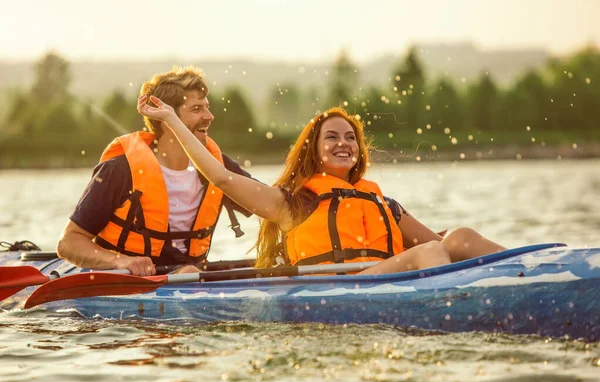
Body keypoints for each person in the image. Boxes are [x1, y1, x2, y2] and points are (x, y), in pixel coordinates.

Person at [137, 95, 505, 274]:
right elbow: (220, 176)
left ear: (360, 151)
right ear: (313, 151)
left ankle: (538, 270)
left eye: (350, 138)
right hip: (349, 289)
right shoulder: (291, 204)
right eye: (331, 137)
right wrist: (170, 119)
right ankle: (458, 313)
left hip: (389, 279)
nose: (343, 143)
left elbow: (445, 247)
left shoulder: (384, 205)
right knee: (429, 254)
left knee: (461, 237)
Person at [57, 66, 254, 276]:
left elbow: (269, 206)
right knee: (187, 272)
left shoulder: (218, 167)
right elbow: (69, 243)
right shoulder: (119, 170)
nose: (210, 116)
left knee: (188, 271)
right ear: (166, 118)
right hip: (126, 280)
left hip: (190, 277)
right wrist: (119, 261)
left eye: (207, 107)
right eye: (197, 109)